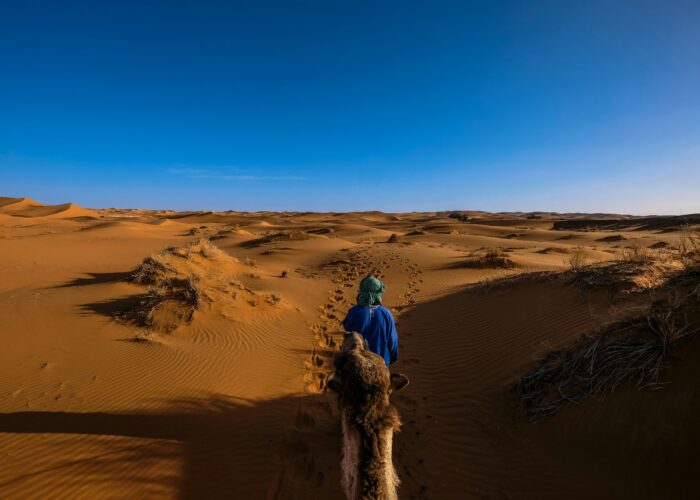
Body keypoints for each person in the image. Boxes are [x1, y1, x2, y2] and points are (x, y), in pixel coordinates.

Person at [342, 275, 398, 367]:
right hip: (381, 362)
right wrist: (393, 358)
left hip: (358, 363)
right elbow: (392, 341)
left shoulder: (354, 312)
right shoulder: (386, 313)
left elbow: (347, 330)